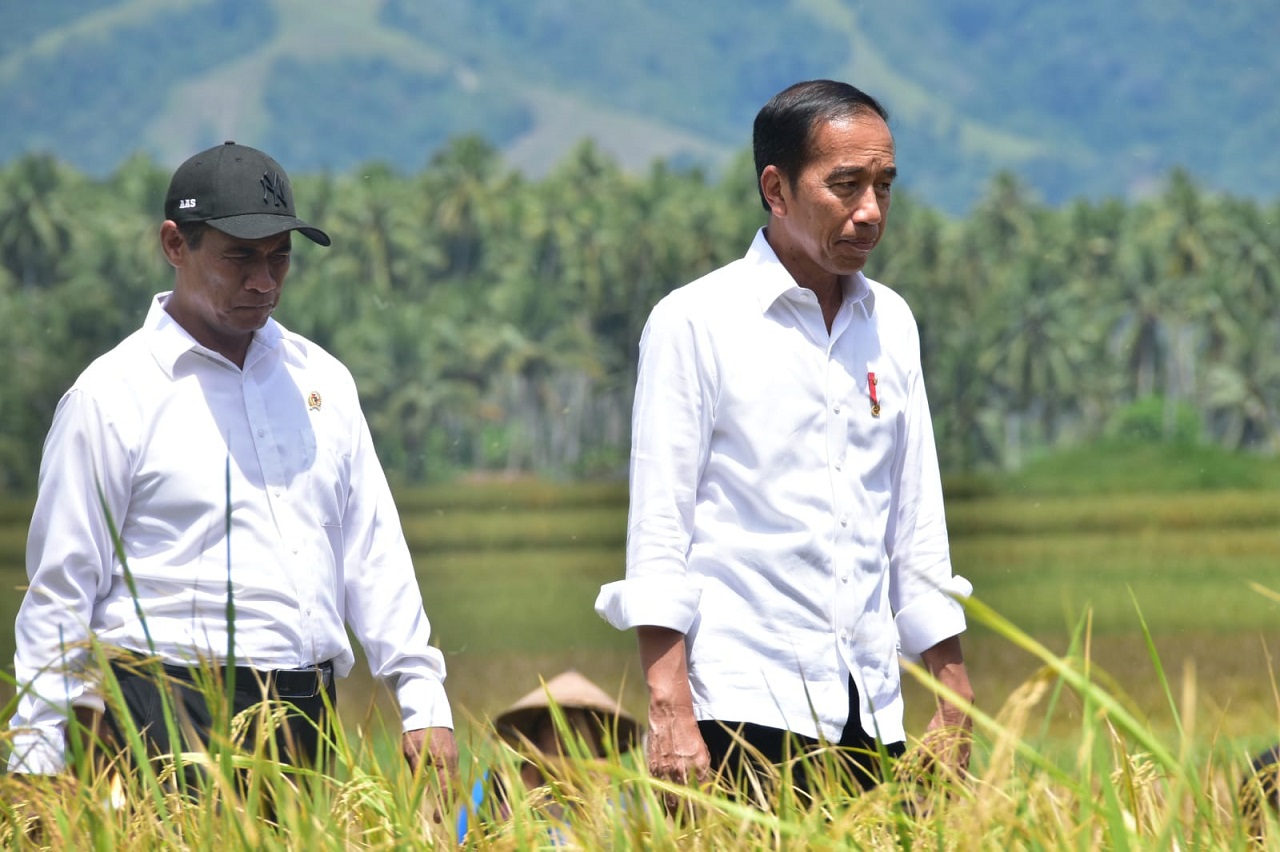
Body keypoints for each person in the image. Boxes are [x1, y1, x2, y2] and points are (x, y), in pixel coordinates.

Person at [7, 142, 457, 783]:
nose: (264, 281)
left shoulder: (321, 381)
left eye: (280, 258)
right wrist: (39, 764)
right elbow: (60, 593)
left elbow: (371, 551)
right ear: (175, 244)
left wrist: (423, 702)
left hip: (305, 716)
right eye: (240, 257)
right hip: (160, 718)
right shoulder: (112, 397)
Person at [594, 80, 974, 800]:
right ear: (776, 188)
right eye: (846, 186)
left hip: (871, 704)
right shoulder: (696, 322)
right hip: (744, 708)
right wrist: (671, 709)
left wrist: (953, 694)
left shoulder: (891, 324)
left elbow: (915, 525)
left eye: (884, 187)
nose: (870, 212)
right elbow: (659, 533)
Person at [458, 670, 642, 843]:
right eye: (553, 726)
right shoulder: (496, 785)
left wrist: (603, 801)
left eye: (577, 727)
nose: (565, 737)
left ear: (597, 740)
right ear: (536, 737)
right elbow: (464, 842)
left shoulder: (619, 792)